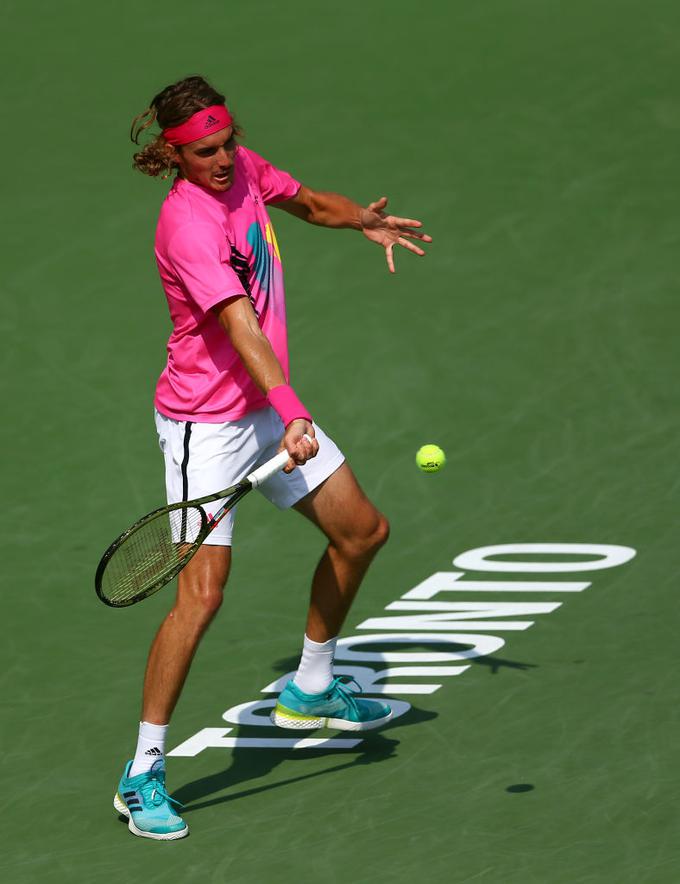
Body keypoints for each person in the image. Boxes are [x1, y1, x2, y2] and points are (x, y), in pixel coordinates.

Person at [113, 75, 432, 841]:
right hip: (206, 427)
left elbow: (306, 200)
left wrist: (361, 220)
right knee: (203, 595)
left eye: (227, 144)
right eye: (204, 152)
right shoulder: (186, 227)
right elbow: (240, 325)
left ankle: (313, 686)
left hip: (264, 408)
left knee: (361, 531)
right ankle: (142, 771)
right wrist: (292, 412)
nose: (223, 161)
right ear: (173, 154)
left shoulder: (244, 169)